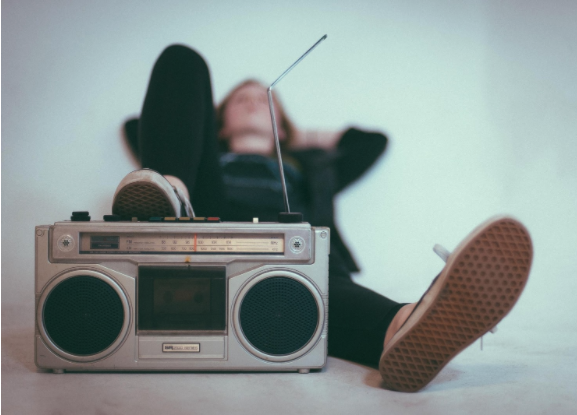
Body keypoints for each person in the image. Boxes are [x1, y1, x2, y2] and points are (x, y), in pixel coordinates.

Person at [114, 44, 533, 392]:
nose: (253, 102)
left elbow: (371, 143)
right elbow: (142, 126)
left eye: (265, 100)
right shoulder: (206, 159)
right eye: (241, 100)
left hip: (296, 256)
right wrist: (194, 144)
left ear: (282, 128)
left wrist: (297, 136)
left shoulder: (314, 167)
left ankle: (406, 326)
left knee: (320, 284)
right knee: (182, 58)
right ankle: (172, 195)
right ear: (218, 121)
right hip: (209, 229)